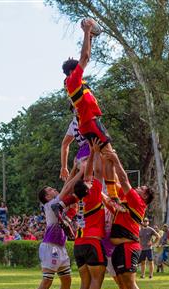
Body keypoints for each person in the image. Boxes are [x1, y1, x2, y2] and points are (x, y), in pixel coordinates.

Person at [62, 18, 121, 207]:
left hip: (87, 123)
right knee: (111, 156)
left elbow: (85, 56)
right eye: (77, 65)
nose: (81, 66)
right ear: (73, 70)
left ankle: (111, 194)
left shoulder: (72, 82)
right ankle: (113, 196)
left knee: (105, 158)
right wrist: (87, 31)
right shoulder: (73, 80)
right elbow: (85, 57)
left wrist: (92, 37)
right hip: (90, 122)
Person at [105, 150, 154, 289]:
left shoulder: (138, 202)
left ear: (144, 196)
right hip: (120, 248)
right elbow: (112, 179)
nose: (137, 188)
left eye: (141, 188)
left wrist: (115, 158)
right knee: (122, 284)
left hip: (128, 247)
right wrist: (107, 160)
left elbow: (124, 180)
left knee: (130, 283)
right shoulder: (128, 199)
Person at [33, 164, 84, 289]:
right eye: (50, 189)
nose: (54, 189)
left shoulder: (58, 205)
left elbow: (67, 187)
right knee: (47, 282)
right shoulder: (50, 205)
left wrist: (73, 169)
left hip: (59, 247)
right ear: (47, 197)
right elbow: (67, 188)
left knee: (67, 280)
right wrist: (81, 171)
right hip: (51, 247)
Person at [71, 139, 107, 289]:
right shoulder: (93, 194)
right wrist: (95, 152)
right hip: (92, 242)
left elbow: (88, 174)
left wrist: (92, 153)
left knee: (84, 282)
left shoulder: (80, 198)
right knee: (96, 280)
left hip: (78, 243)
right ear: (87, 187)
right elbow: (98, 172)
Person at [60, 110, 90, 181]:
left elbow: (64, 144)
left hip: (80, 157)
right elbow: (65, 144)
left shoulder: (72, 124)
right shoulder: (88, 118)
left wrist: (64, 166)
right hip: (91, 151)